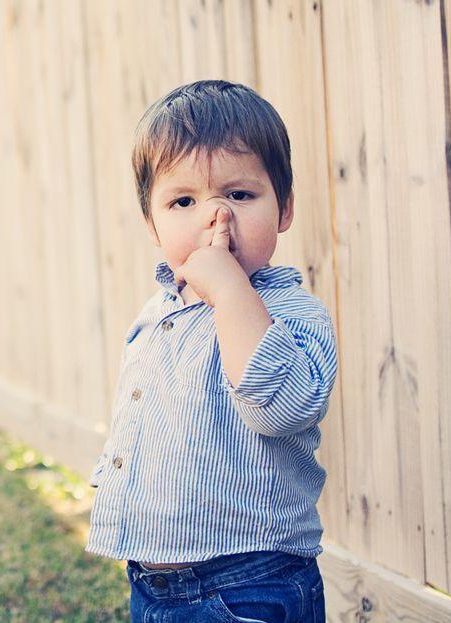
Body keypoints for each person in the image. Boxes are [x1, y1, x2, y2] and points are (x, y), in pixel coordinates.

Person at [83, 80, 335, 621]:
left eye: (240, 195)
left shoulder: (292, 312)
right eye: (184, 201)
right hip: (152, 581)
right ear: (152, 224)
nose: (215, 217)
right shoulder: (159, 312)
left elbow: (281, 409)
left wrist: (229, 290)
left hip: (250, 579)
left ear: (284, 208)